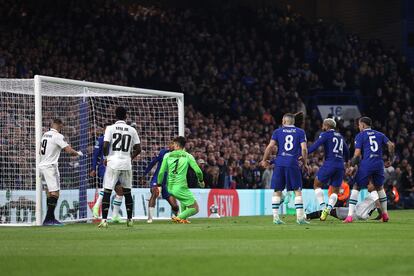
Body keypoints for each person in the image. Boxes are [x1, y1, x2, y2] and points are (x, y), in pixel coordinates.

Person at [261, 113, 310, 225]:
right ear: (293, 122)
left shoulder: (277, 131)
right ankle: (300, 218)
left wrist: (264, 160)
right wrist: (305, 163)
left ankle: (275, 218)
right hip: (292, 163)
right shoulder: (300, 132)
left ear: (284, 121)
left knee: (277, 190)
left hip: (279, 163)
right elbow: (304, 150)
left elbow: (270, 147)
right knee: (297, 191)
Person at [344, 117, 395, 223]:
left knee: (356, 187)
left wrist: (351, 166)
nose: (358, 127)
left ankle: (349, 217)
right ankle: (385, 215)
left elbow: (357, 154)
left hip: (367, 163)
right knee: (380, 188)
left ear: (363, 125)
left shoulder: (360, 135)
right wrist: (390, 159)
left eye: (359, 125)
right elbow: (391, 145)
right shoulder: (380, 134)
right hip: (379, 164)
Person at [98, 107, 141, 228]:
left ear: (115, 115)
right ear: (126, 116)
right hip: (126, 163)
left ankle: (104, 220)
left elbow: (105, 145)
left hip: (113, 162)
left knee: (107, 190)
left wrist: (107, 157)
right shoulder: (132, 129)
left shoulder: (110, 128)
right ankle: (130, 219)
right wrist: (130, 158)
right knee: (127, 192)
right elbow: (138, 149)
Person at [39, 119, 83, 225]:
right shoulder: (57, 136)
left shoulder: (45, 134)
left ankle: (50, 218)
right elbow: (68, 151)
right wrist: (78, 153)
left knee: (49, 193)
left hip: (41, 166)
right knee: (55, 193)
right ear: (60, 125)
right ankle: (48, 220)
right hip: (50, 167)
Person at [308, 118, 349, 220]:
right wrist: (346, 161)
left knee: (316, 184)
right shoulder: (340, 136)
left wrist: (305, 153)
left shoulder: (325, 134)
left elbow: (315, 146)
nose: (322, 127)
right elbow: (347, 151)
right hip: (340, 165)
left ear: (326, 125)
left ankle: (323, 207)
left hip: (329, 164)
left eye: (323, 125)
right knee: (335, 191)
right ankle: (328, 209)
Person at [157, 136, 204, 224]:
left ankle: (184, 219)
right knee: (195, 208)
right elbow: (198, 171)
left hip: (170, 187)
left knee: (184, 200)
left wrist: (159, 185)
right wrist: (201, 181)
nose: (173, 146)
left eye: (174, 144)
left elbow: (161, 172)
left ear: (177, 146)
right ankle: (178, 217)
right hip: (180, 187)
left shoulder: (167, 155)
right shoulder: (188, 156)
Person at [90, 123, 123, 223]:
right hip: (104, 168)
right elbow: (95, 155)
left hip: (115, 167)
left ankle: (115, 216)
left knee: (120, 191)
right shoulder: (101, 139)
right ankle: (96, 207)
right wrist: (93, 168)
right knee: (108, 188)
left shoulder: (115, 140)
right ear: (104, 130)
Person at [143, 144, 179, 223]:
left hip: (168, 182)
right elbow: (153, 162)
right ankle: (150, 218)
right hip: (157, 178)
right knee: (154, 192)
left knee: (175, 206)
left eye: (174, 145)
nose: (171, 146)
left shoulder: (179, 156)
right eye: (171, 144)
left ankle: (176, 216)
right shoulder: (163, 152)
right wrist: (144, 174)